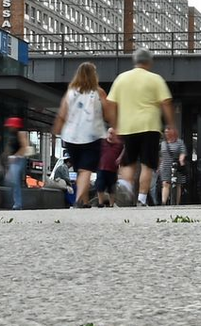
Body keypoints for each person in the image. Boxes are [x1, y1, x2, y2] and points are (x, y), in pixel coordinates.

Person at [107, 48, 175, 206]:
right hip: (149, 126)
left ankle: (126, 187)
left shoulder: (121, 79)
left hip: (128, 126)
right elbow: (166, 103)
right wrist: (171, 125)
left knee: (128, 162)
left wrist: (114, 125)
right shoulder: (155, 79)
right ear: (149, 62)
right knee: (147, 164)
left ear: (134, 61)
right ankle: (141, 199)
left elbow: (110, 103)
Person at [52, 62, 114, 208]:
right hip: (92, 136)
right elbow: (109, 113)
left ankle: (85, 201)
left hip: (71, 138)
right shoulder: (99, 92)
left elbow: (62, 114)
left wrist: (56, 130)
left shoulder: (70, 92)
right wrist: (115, 125)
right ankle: (79, 200)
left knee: (80, 169)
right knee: (85, 170)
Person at [2, 117, 31, 209]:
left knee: (14, 181)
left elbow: (25, 147)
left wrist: (16, 156)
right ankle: (13, 202)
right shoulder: (11, 135)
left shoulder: (21, 134)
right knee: (9, 180)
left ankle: (17, 203)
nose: (9, 128)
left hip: (18, 159)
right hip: (12, 160)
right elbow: (9, 147)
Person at [158, 125, 187, 206]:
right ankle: (163, 202)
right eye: (166, 131)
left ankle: (177, 203)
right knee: (165, 183)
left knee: (178, 184)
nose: (167, 133)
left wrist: (181, 160)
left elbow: (183, 152)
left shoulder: (179, 142)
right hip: (165, 166)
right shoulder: (163, 143)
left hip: (176, 165)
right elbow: (160, 155)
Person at [96, 129, 124, 207]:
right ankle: (100, 203)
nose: (111, 135)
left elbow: (125, 149)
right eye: (110, 133)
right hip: (101, 167)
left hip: (113, 169)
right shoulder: (102, 142)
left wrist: (120, 158)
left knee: (112, 187)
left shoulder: (119, 144)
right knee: (100, 186)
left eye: (113, 134)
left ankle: (111, 204)